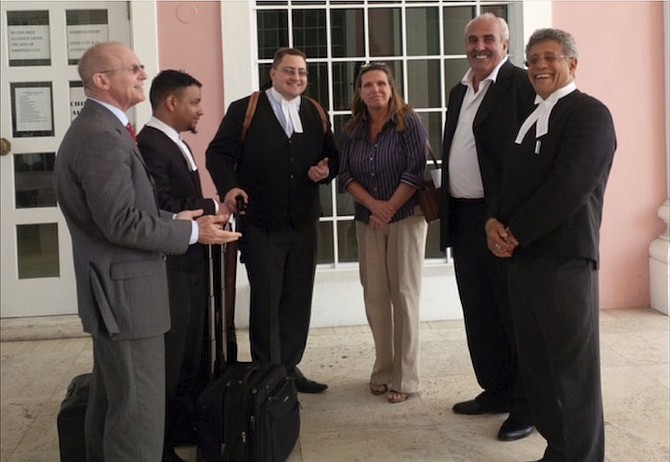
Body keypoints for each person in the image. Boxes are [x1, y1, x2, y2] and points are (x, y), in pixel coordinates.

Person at [53, 42, 240, 462]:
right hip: (126, 297)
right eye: (133, 69)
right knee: (137, 420)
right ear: (101, 81)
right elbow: (120, 222)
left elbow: (121, 212)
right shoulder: (101, 136)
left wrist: (175, 221)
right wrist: (192, 234)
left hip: (118, 293)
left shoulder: (105, 129)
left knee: (113, 407)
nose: (143, 75)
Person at [486, 28, 616, 461]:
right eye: (533, 59)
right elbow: (509, 182)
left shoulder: (589, 114)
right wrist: (493, 222)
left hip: (564, 262)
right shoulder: (532, 115)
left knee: (571, 374)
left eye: (550, 57)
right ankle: (559, 450)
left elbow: (569, 187)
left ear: (572, 64)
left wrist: (515, 232)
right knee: (539, 371)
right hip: (524, 262)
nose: (539, 65)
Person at [206, 47, 338, 394]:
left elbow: (333, 158)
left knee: (297, 298)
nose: (297, 78)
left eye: (303, 73)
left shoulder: (314, 112)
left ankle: (289, 367)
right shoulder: (245, 109)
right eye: (290, 71)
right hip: (262, 223)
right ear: (273, 74)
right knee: (266, 299)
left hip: (304, 223)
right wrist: (230, 187)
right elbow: (217, 153)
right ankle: (268, 372)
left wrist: (325, 171)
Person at [438, 13, 536, 440]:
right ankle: (495, 390)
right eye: (473, 39)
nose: (480, 46)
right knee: (479, 311)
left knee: (513, 313)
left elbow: (528, 155)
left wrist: (513, 217)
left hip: (501, 220)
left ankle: (528, 405)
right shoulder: (460, 89)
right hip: (464, 218)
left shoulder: (520, 84)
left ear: (506, 43)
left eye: (489, 39)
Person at [136, 69, 227, 461]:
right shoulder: (152, 144)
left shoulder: (172, 140)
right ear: (170, 102)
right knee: (172, 357)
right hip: (171, 266)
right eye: (194, 103)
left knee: (191, 350)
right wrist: (212, 209)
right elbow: (163, 208)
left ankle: (181, 426)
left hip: (190, 261)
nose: (201, 111)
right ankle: (161, 445)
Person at [339, 62, 428, 404]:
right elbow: (345, 175)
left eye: (380, 83)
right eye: (367, 85)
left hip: (405, 217)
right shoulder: (353, 129)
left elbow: (415, 170)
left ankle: (406, 377)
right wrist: (375, 206)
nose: (374, 89)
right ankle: (383, 367)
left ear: (391, 88)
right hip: (369, 220)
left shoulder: (409, 122)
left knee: (404, 296)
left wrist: (388, 207)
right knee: (375, 297)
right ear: (359, 93)